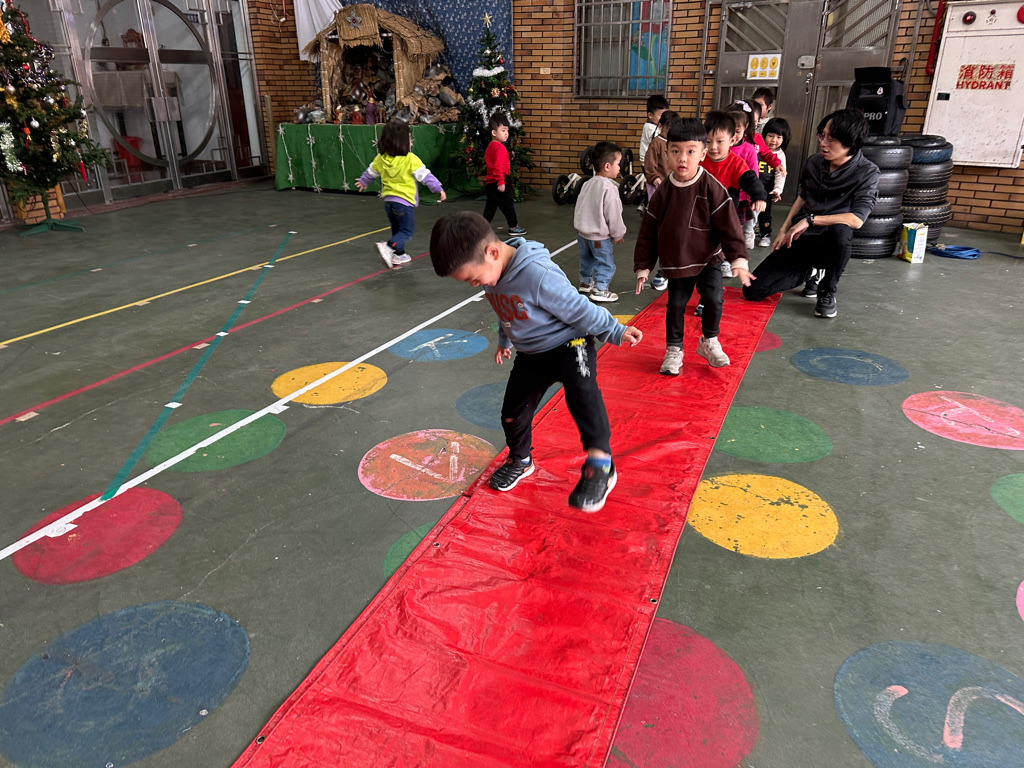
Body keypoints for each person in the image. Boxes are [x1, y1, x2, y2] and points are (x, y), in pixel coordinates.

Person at [430, 211, 643, 513]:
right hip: (531, 353)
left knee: (583, 392)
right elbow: (506, 310)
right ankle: (521, 459)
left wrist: (615, 330)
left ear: (492, 253)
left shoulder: (537, 274)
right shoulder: (492, 272)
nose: (476, 285)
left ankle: (601, 464)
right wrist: (505, 340)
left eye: (473, 279)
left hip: (570, 343)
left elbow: (579, 309)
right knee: (512, 414)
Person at [633, 118, 753, 376]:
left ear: (702, 154)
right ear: (666, 154)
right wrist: (643, 266)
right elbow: (648, 231)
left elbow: (729, 225)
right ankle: (674, 349)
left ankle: (709, 340)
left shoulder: (711, 186)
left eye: (690, 151)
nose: (682, 158)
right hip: (678, 260)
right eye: (675, 151)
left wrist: (738, 259)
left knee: (714, 298)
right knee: (676, 304)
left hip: (709, 257)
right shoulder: (663, 192)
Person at [742, 108, 880, 319]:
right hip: (801, 238)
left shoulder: (867, 172)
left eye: (831, 139)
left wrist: (811, 220)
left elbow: (856, 219)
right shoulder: (814, 162)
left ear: (850, 142)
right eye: (822, 136)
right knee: (752, 290)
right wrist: (783, 230)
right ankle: (811, 273)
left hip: (829, 244)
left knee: (842, 231)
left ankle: (827, 290)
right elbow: (803, 196)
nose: (823, 143)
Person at [356, 119, 446, 268]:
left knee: (397, 229)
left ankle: (399, 254)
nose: (411, 143)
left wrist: (364, 181)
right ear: (401, 143)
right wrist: (438, 188)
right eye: (409, 139)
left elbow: (371, 171)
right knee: (407, 231)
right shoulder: (410, 159)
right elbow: (425, 176)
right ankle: (388, 246)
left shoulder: (381, 158)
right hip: (403, 203)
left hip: (389, 203)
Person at [574, 141, 626, 303]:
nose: (619, 167)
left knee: (586, 260)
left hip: (583, 235)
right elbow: (613, 214)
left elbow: (580, 207)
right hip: (599, 237)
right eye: (618, 163)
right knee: (605, 263)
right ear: (607, 166)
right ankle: (601, 289)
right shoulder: (609, 188)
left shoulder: (587, 184)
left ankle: (585, 283)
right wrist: (618, 234)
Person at [483, 113, 526, 236]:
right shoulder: (500, 148)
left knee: (490, 206)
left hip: (491, 182)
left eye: (507, 130)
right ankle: (513, 226)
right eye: (503, 130)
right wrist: (501, 182)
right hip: (499, 181)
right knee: (508, 205)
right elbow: (498, 167)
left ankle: (482, 227)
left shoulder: (491, 146)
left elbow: (494, 162)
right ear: (494, 132)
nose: (506, 133)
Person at [757, 117, 790, 248]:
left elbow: (781, 175)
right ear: (764, 135)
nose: (774, 140)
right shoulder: (758, 149)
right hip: (752, 188)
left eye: (778, 137)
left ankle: (765, 234)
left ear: (784, 139)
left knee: (765, 213)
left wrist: (777, 190)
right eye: (770, 136)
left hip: (766, 190)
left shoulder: (780, 156)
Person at [638, 95, 669, 166]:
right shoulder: (649, 127)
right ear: (650, 115)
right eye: (661, 115)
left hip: (653, 160)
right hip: (648, 163)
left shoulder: (657, 126)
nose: (664, 118)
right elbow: (659, 141)